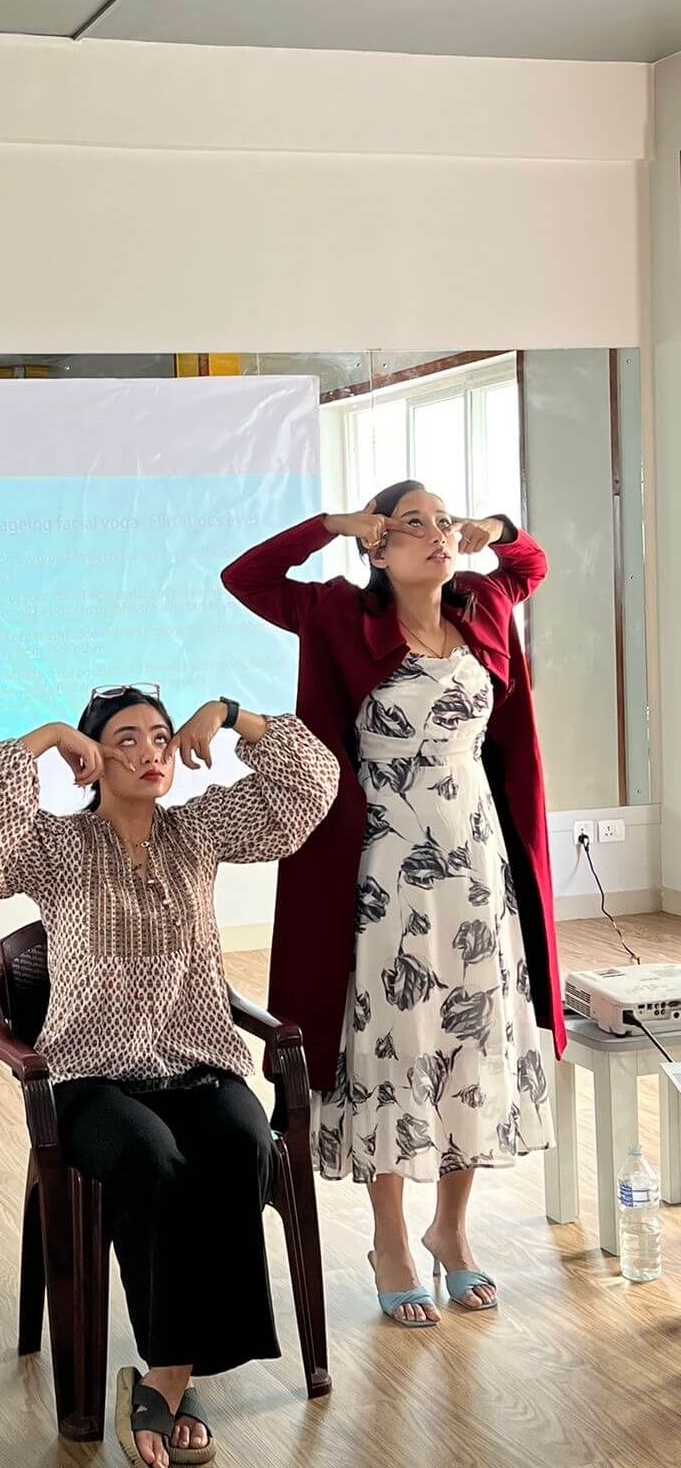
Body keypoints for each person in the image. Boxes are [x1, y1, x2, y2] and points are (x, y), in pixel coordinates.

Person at [0, 685, 338, 1466]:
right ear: (92, 759)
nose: (150, 752)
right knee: (149, 1157)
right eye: (125, 739)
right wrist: (49, 736)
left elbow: (310, 787)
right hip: (90, 1076)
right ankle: (174, 1377)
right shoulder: (54, 847)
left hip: (196, 1063)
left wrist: (230, 716)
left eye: (159, 736)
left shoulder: (199, 832)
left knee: (244, 1145)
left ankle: (168, 1376)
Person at [222, 484, 566, 1328]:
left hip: (478, 865)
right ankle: (390, 1241)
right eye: (415, 523)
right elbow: (246, 576)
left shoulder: (481, 603)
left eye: (445, 522)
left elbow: (530, 563)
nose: (439, 535)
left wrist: (494, 529)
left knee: (471, 1039)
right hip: (384, 868)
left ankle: (451, 1228)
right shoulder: (339, 615)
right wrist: (332, 525)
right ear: (377, 544)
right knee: (395, 1042)